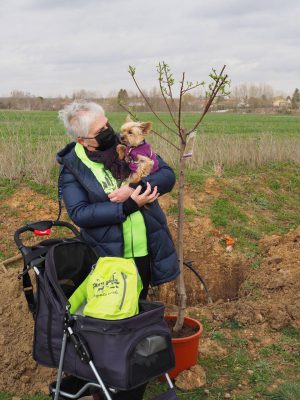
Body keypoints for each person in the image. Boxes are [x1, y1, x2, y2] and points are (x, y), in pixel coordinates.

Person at [56, 100, 179, 400]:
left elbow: (167, 175)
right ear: (83, 140)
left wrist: (136, 189)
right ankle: (108, 386)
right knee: (110, 328)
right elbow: (82, 214)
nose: (111, 132)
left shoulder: (132, 148)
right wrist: (127, 205)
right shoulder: (73, 168)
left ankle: (133, 382)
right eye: (103, 130)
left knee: (136, 319)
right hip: (110, 262)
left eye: (108, 124)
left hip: (143, 255)